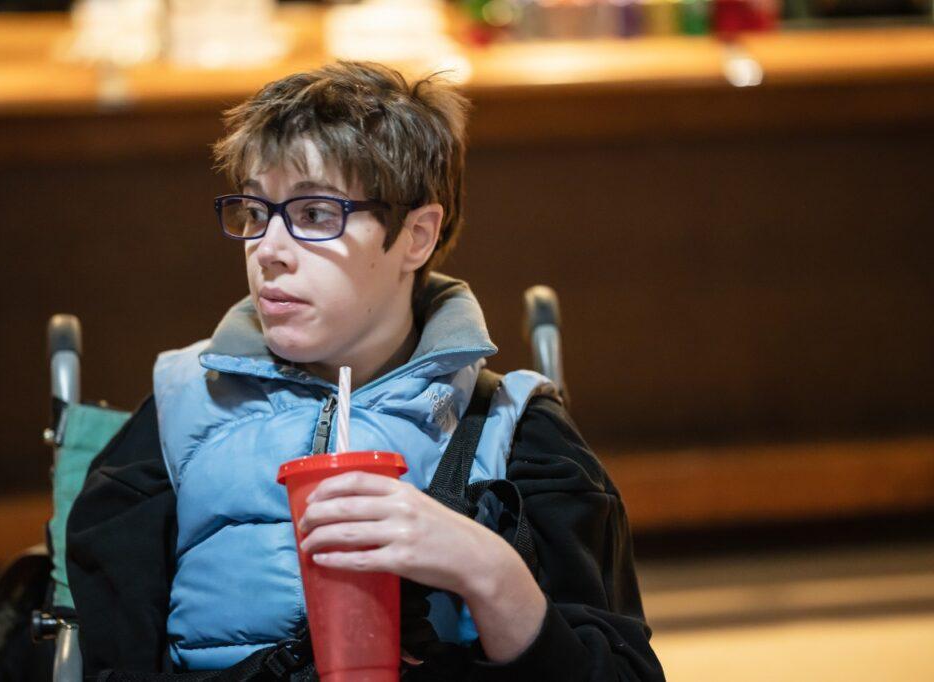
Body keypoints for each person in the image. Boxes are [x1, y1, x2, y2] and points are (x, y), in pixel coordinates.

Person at [66, 61, 665, 681]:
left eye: (315, 214)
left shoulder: (516, 433)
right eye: (253, 210)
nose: (267, 250)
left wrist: (489, 571)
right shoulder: (178, 409)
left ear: (416, 236)